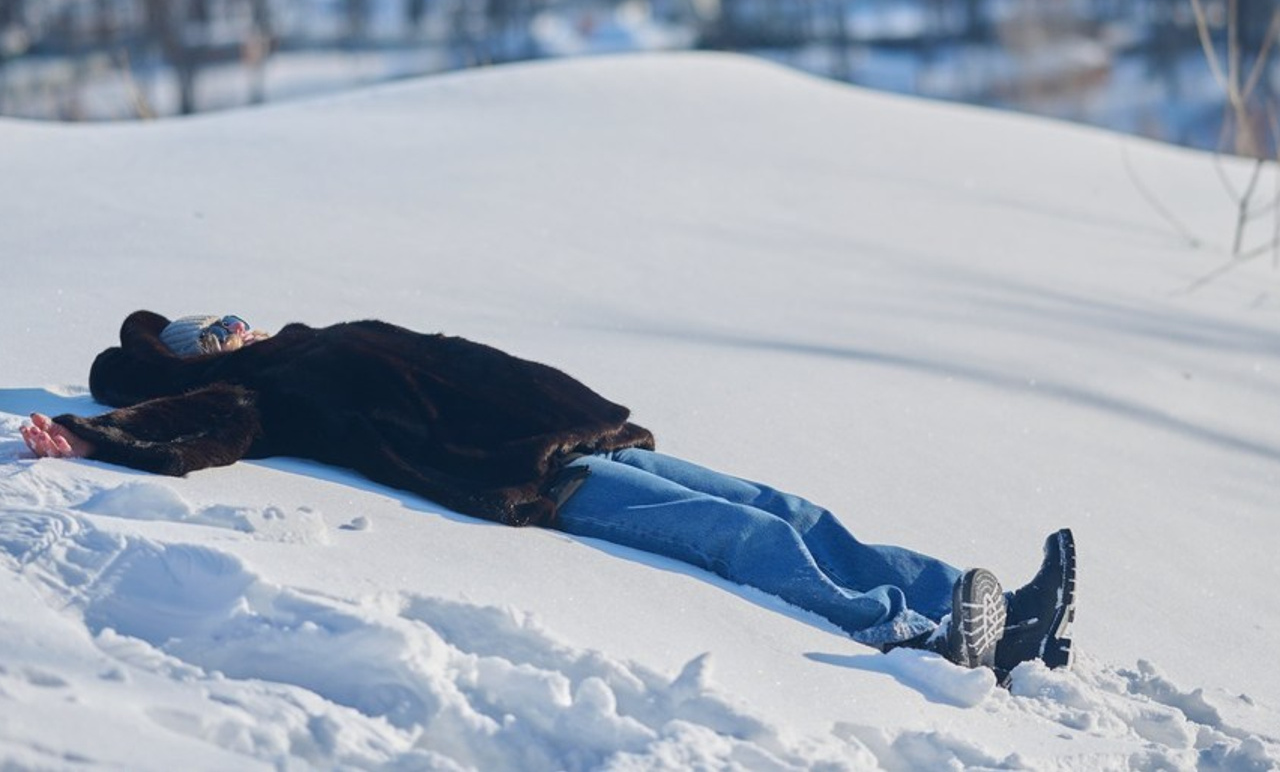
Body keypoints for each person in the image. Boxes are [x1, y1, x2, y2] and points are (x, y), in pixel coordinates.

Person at [21, 310, 1076, 682]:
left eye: (230, 319)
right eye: (217, 333)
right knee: (735, 533)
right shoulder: (267, 384)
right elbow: (212, 426)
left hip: (582, 429)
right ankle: (912, 632)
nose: (237, 329)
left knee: (782, 505)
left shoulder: (312, 337)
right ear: (203, 360)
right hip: (527, 474)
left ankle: (984, 611)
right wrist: (94, 435)